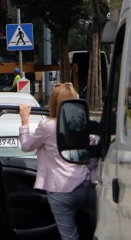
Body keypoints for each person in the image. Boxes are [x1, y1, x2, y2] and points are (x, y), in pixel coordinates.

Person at [18, 83, 95, 240]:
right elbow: (92, 155)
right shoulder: (83, 124)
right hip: (85, 186)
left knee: (69, 236)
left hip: (59, 190)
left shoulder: (47, 126)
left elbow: (26, 146)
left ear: (53, 102)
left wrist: (24, 121)